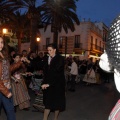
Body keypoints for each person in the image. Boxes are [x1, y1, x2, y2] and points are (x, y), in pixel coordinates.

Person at [0, 36, 24, 120]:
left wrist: (19, 63)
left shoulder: (3, 55)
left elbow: (8, 69)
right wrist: (6, 92)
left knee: (11, 111)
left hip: (7, 87)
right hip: (2, 88)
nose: (1, 44)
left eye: (2, 42)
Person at [41, 43, 66, 120]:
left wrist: (49, 84)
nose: (48, 52)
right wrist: (29, 61)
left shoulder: (60, 59)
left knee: (57, 104)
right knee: (48, 104)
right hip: (48, 84)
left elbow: (57, 73)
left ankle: (55, 118)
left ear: (55, 50)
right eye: (48, 50)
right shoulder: (47, 58)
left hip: (57, 85)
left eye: (50, 50)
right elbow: (40, 65)